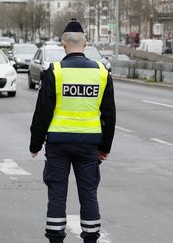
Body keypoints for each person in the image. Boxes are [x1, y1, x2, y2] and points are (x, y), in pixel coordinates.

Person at [29, 19, 116, 243]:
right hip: (89, 145)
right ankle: (90, 238)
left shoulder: (55, 72)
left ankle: (56, 238)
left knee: (57, 193)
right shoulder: (101, 72)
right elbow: (109, 115)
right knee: (89, 193)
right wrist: (105, 147)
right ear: (85, 43)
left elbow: (42, 113)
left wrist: (35, 144)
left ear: (63, 44)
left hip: (58, 144)